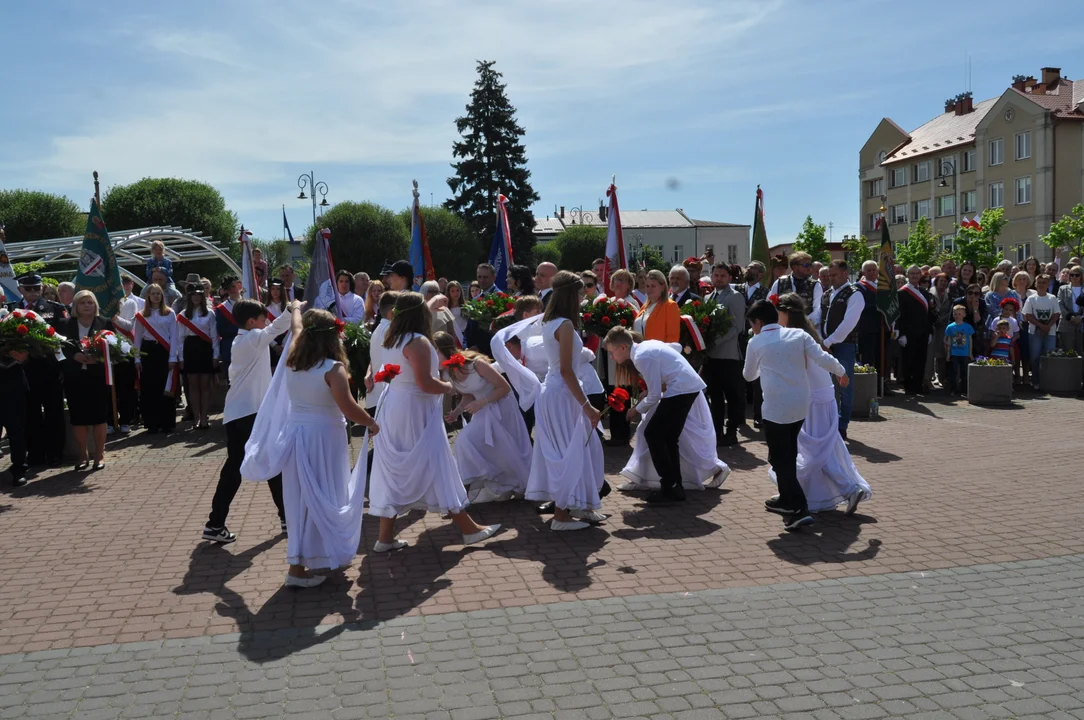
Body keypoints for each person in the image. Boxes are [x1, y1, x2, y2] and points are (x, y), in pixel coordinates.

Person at [241, 309, 378, 588]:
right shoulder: (333, 368)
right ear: (333, 337)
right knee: (326, 492)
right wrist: (372, 423)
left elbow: (296, 328)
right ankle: (300, 567)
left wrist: (295, 310)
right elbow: (349, 407)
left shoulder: (292, 360)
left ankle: (308, 559)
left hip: (298, 434)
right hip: (324, 437)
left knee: (301, 497)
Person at [367, 292, 501, 550]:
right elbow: (426, 383)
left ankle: (384, 538)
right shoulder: (417, 341)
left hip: (395, 406)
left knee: (396, 466)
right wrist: (449, 387)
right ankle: (469, 529)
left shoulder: (390, 338)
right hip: (414, 410)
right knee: (436, 461)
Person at [492, 271, 606, 530]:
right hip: (561, 394)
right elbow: (566, 370)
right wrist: (586, 405)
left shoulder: (550, 321)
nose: (581, 299)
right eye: (579, 294)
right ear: (570, 296)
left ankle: (579, 505)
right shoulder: (563, 324)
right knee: (568, 452)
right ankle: (562, 516)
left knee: (578, 450)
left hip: (556, 392)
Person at [743, 298, 847, 531]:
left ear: (758, 322)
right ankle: (786, 499)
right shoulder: (798, 335)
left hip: (776, 409)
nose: (753, 328)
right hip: (801, 405)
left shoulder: (756, 342)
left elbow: (749, 376)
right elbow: (822, 357)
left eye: (753, 324)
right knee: (786, 453)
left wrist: (764, 364)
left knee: (781, 459)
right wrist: (841, 371)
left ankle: (799, 508)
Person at [202, 298, 298, 544]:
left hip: (245, 414)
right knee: (237, 469)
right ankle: (215, 523)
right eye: (262, 317)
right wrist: (291, 309)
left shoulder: (245, 340)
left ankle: (286, 517)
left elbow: (272, 329)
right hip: (246, 415)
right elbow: (275, 329)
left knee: (266, 462)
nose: (266, 320)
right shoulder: (250, 340)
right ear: (252, 322)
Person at [770, 293, 869, 514]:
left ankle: (847, 488)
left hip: (812, 398)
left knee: (812, 449)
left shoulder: (795, 336)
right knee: (824, 447)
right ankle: (794, 490)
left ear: (786, 313)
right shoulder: (805, 332)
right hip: (821, 394)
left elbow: (802, 367)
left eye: (778, 313)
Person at [605, 328, 729, 500]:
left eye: (612, 352)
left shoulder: (641, 356)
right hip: (686, 388)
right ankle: (674, 486)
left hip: (681, 389)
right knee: (668, 437)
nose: (611, 357)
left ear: (623, 347)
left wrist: (635, 409)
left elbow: (655, 396)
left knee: (653, 433)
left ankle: (670, 485)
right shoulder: (644, 347)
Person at [434, 332, 531, 503]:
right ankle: (478, 486)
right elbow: (468, 395)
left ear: (444, 350)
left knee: (501, 448)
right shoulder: (447, 373)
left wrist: (483, 402)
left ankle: (465, 494)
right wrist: (457, 411)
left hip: (502, 406)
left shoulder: (475, 365)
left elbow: (505, 387)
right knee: (472, 443)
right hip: (482, 409)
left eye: (433, 351)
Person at [8, 273, 68, 467]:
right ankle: (35, 453)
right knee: (29, 414)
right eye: (29, 288)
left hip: (50, 369)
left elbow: (64, 339)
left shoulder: (55, 309)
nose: (33, 292)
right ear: (20, 290)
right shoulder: (11, 311)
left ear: (42, 288)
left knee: (54, 412)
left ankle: (55, 452)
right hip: (24, 371)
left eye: (37, 288)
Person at [62, 291, 114, 472]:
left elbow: (114, 350)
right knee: (79, 418)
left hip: (97, 377)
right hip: (74, 378)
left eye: (90, 302)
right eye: (82, 302)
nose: (86, 306)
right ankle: (82, 454)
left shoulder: (104, 323)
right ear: (75, 306)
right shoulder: (66, 325)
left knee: (99, 417)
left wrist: (97, 358)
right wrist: (74, 356)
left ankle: (99, 454)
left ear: (95, 305)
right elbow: (58, 349)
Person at [702, 262, 746, 445]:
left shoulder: (735, 297)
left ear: (729, 278)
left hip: (728, 355)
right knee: (715, 395)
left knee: (732, 396)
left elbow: (737, 327)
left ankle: (732, 431)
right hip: (711, 356)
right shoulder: (708, 298)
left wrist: (713, 342)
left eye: (722, 276)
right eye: (716, 275)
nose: (719, 279)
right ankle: (717, 431)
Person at [820, 260, 862, 439]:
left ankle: (842, 425)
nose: (830, 278)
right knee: (826, 385)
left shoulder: (855, 294)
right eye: (829, 275)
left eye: (834, 275)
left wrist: (827, 342)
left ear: (845, 273)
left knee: (844, 385)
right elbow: (818, 317)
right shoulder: (827, 293)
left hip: (844, 346)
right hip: (826, 344)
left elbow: (848, 324)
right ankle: (829, 423)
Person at [172, 283, 220, 428]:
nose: (196, 297)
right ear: (189, 296)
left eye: (199, 294)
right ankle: (196, 418)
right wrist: (181, 358)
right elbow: (179, 339)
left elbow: (214, 336)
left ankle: (204, 417)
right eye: (193, 294)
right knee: (192, 386)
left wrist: (215, 356)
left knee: (205, 386)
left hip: (205, 350)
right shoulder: (183, 315)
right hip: (190, 350)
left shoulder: (210, 313)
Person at [133, 283, 179, 434]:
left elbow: (174, 337)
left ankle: (167, 423)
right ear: (148, 296)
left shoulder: (170, 313)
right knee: (149, 388)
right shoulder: (141, 315)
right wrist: (137, 359)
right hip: (148, 351)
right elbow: (138, 338)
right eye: (153, 293)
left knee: (165, 387)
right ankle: (152, 423)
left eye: (159, 293)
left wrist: (173, 357)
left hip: (164, 351)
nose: (156, 296)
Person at [736, 262, 769, 425]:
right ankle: (739, 415)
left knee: (757, 377)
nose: (748, 269)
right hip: (738, 337)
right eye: (748, 267)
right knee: (738, 376)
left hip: (757, 336)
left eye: (753, 268)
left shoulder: (765, 292)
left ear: (761, 274)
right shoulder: (738, 289)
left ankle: (758, 415)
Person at [896, 265, 937, 395]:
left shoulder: (925, 293)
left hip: (923, 332)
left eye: (916, 274)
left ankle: (918, 385)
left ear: (920, 276)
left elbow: (929, 314)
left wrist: (930, 331)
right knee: (908, 360)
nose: (914, 276)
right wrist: (901, 333)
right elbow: (899, 315)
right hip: (908, 333)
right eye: (912, 274)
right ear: (907, 275)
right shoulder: (901, 293)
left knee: (921, 360)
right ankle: (908, 386)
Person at [364, 291, 399, 415]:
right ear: (393, 312)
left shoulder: (380, 328)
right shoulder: (391, 331)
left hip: (377, 397)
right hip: (386, 399)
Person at [1023, 274, 1060, 390]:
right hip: (1035, 332)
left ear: (1048, 284)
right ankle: (1036, 381)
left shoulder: (1052, 298)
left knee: (1049, 357)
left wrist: (1047, 326)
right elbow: (1027, 315)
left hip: (1051, 332)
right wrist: (1041, 326)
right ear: (1035, 284)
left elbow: (1056, 314)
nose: (1041, 284)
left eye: (1044, 282)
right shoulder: (1031, 299)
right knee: (1035, 358)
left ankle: (1048, 382)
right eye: (1039, 282)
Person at [769, 252, 823, 328]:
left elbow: (817, 310)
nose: (809, 268)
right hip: (782, 330)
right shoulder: (779, 283)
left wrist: (802, 324)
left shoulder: (815, 285)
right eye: (806, 265)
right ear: (794, 267)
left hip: (807, 329)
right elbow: (772, 306)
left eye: (810, 265)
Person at [1, 348, 29, 486]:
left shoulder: (14, 328)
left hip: (13, 386)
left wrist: (24, 357)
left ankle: (19, 471)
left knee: (16, 432)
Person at [635, 269, 681, 343]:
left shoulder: (670, 306)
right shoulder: (645, 306)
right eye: (647, 286)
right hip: (641, 351)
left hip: (658, 353)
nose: (649, 289)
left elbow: (672, 339)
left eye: (653, 286)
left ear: (662, 287)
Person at [465, 263, 500, 356]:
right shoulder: (475, 299)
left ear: (494, 277)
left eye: (485, 277)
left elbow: (496, 329)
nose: (481, 280)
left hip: (489, 353)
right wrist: (465, 346)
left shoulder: (500, 298)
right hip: (473, 352)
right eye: (479, 277)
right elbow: (469, 326)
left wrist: (479, 347)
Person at [943, 305, 975, 395]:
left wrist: (970, 353)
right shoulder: (950, 327)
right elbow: (948, 340)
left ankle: (964, 389)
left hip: (964, 353)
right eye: (955, 314)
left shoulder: (968, 327)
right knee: (953, 372)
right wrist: (948, 354)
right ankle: (954, 389)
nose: (957, 316)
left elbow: (970, 340)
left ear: (964, 315)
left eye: (959, 314)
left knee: (964, 372)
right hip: (954, 352)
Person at [216, 275, 242, 376]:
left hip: (249, 347)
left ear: (239, 285)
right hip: (230, 348)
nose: (231, 290)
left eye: (233, 286)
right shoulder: (221, 308)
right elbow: (221, 330)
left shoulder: (250, 304)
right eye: (228, 288)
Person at [1057, 266, 1083, 355]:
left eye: (1077, 275)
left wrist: (1081, 317)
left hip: (1082, 323)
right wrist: (1070, 317)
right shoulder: (1063, 288)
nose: (1074, 277)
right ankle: (1070, 369)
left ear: (1081, 276)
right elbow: (1059, 304)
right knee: (1068, 352)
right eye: (1072, 275)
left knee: (1081, 351)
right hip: (1066, 324)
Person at [445, 281, 467, 346]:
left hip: (464, 335)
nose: (456, 293)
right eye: (452, 291)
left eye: (458, 290)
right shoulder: (446, 308)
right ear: (448, 292)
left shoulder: (465, 306)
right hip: (453, 336)